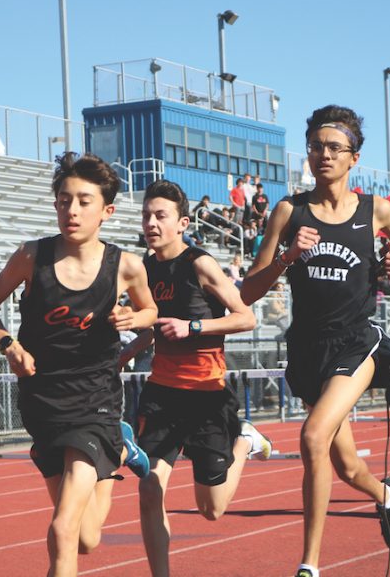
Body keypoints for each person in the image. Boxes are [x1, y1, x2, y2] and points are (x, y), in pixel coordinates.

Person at [241, 105, 390, 577]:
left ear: (353, 158)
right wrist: (287, 257)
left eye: (334, 147)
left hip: (356, 343)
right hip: (307, 350)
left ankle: (309, 564)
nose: (323, 154)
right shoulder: (288, 211)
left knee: (312, 437)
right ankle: (385, 494)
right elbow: (249, 290)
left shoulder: (373, 209)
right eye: (316, 146)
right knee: (346, 467)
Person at [0, 151, 158, 575]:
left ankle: (111, 445)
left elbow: (151, 312)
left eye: (83, 201)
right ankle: (119, 455)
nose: (71, 211)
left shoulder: (126, 266)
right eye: (63, 200)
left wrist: (135, 316)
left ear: (107, 211)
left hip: (94, 400)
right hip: (42, 401)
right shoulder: (30, 257)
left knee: (61, 529)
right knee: (86, 539)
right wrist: (8, 344)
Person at [117, 179, 270, 577]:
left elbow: (246, 317)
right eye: (147, 215)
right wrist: (128, 352)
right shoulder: (143, 268)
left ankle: (245, 441)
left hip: (206, 395)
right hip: (162, 393)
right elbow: (154, 327)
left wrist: (194, 327)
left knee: (212, 510)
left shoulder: (199, 264)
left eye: (160, 216)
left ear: (182, 223)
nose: (151, 222)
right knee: (149, 487)